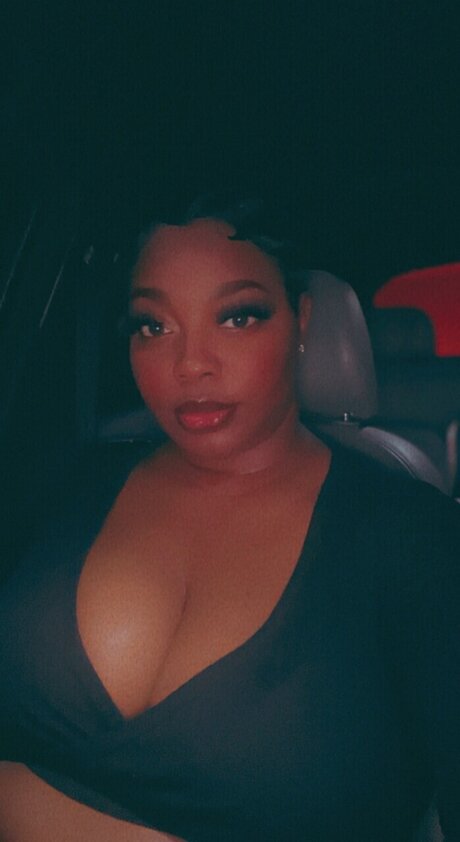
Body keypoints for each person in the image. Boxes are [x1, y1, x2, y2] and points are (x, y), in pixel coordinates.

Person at [0, 195, 459, 841]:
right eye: (153, 326)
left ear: (302, 320)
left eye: (238, 316)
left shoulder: (416, 538)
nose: (191, 364)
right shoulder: (67, 480)